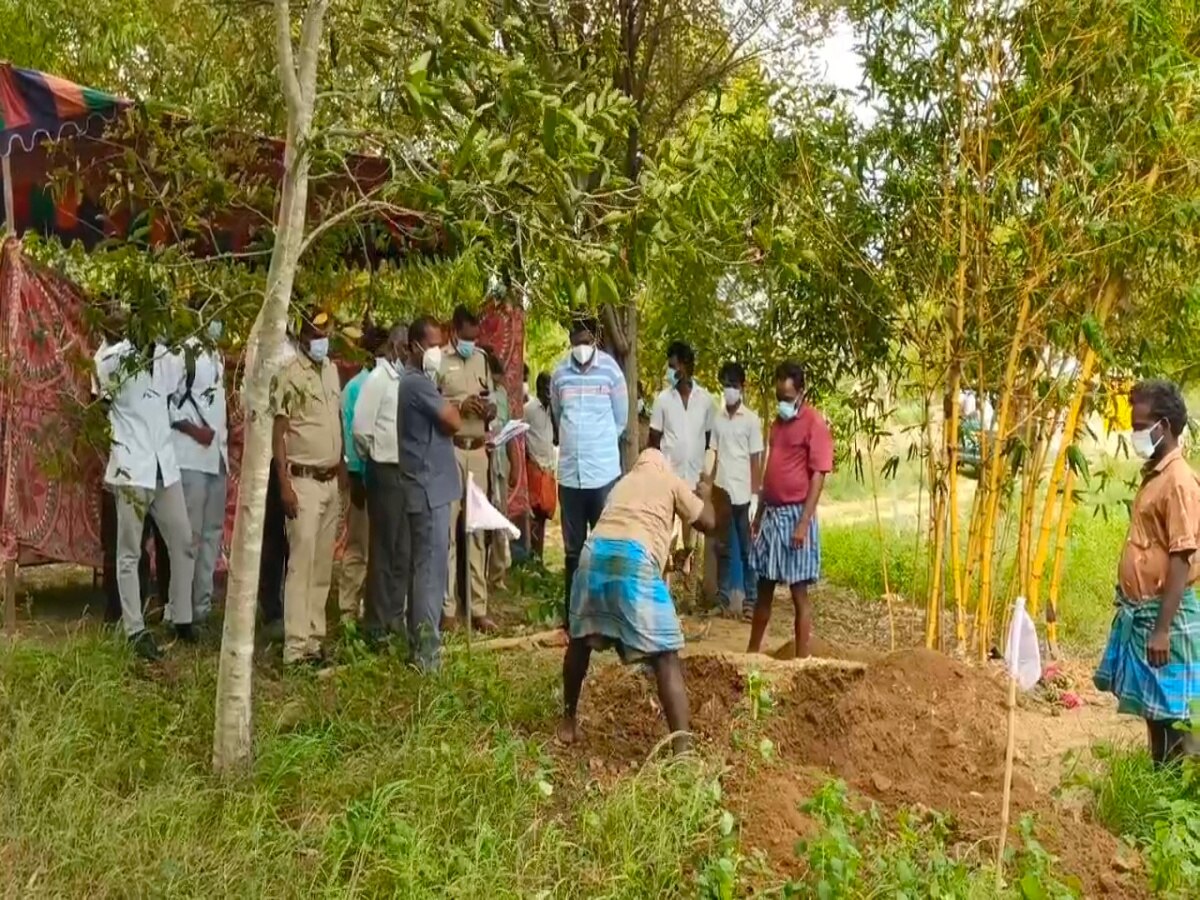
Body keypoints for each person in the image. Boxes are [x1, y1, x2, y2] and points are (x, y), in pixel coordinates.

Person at [558, 449, 722, 754]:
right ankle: (683, 752)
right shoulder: (670, 480)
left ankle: (568, 723)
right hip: (633, 560)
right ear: (664, 464)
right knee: (665, 658)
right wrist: (707, 494)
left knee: (579, 642)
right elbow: (708, 522)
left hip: (592, 557)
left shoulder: (622, 484)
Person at [1095, 380, 1200, 764]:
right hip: (1148, 612)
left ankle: (1179, 801)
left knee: (1178, 719)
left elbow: (1181, 555)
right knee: (1157, 714)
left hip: (1165, 617)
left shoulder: (1178, 481)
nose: (1135, 433)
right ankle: (1161, 786)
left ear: (1165, 427)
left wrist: (1162, 629)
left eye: (1140, 426)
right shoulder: (1156, 473)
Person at [94, 331, 197, 660]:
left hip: (164, 467)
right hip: (131, 467)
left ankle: (181, 617)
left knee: (182, 541)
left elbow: (174, 398)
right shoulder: (111, 360)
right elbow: (100, 404)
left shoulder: (170, 355)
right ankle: (134, 629)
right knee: (129, 553)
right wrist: (120, 438)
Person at [271, 312, 347, 666]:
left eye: (327, 333)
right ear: (302, 334)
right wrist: (284, 484)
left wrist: (342, 472)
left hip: (331, 480)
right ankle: (295, 648)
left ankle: (315, 640)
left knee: (321, 566)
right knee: (301, 565)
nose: (323, 339)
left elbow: (337, 423)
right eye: (317, 333)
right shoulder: (289, 375)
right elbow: (279, 433)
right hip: (302, 481)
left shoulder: (330, 369)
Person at [747, 362, 833, 658]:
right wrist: (758, 515)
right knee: (764, 589)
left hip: (796, 515)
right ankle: (752, 653)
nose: (783, 402)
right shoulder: (776, 424)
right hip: (771, 514)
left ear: (801, 392)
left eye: (788, 397)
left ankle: (802, 658)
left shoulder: (814, 423)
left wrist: (803, 523)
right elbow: (771, 468)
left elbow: (819, 476)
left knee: (799, 593)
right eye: (779, 396)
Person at [551, 318, 627, 630]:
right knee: (573, 551)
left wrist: (597, 445)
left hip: (603, 474)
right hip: (570, 475)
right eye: (575, 340)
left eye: (585, 339)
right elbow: (558, 416)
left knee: (605, 547)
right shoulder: (559, 374)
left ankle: (607, 616)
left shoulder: (611, 372)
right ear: (570, 339)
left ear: (593, 338)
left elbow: (620, 421)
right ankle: (575, 617)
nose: (580, 346)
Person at [397, 316, 463, 670]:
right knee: (430, 572)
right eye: (433, 344)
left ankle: (419, 648)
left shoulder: (420, 382)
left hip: (430, 487)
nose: (438, 351)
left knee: (426, 569)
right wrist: (448, 403)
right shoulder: (416, 384)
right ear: (414, 347)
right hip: (427, 489)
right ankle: (426, 655)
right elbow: (452, 421)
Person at [438, 305, 497, 633]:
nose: (470, 344)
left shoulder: (482, 361)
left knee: (476, 530)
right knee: (448, 532)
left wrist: (487, 409)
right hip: (451, 451)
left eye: (475, 339)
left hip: (478, 454)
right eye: (466, 338)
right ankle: (448, 609)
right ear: (453, 332)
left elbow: (493, 404)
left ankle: (478, 608)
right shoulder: (439, 361)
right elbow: (430, 404)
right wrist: (458, 407)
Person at [168, 317, 229, 627]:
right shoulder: (183, 354)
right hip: (191, 456)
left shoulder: (216, 354)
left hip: (217, 457)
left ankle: (201, 608)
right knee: (188, 537)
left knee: (211, 536)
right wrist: (193, 430)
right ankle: (179, 612)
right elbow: (165, 404)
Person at [353, 322, 409, 642]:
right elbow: (361, 429)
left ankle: (395, 618)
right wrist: (376, 454)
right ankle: (375, 624)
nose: (404, 352)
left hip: (406, 472)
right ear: (393, 346)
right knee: (384, 550)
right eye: (401, 346)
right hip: (384, 471)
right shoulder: (378, 379)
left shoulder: (406, 380)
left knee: (403, 550)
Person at [649, 341, 715, 572]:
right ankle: (665, 590)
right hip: (669, 479)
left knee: (692, 540)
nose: (669, 371)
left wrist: (706, 476)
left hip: (694, 480)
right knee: (667, 536)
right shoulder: (662, 400)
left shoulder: (705, 400)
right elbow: (653, 441)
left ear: (685, 367)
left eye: (673, 366)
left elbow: (709, 441)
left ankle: (689, 589)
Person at [339, 325, 388, 625]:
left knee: (379, 548)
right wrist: (355, 476)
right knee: (357, 545)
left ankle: (370, 609)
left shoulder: (390, 383)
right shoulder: (357, 387)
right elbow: (350, 433)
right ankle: (347, 609)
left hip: (385, 481)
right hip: (362, 479)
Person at [710, 361, 763, 616]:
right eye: (725, 385)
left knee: (745, 548)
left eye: (733, 385)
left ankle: (751, 601)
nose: (728, 390)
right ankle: (722, 599)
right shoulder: (717, 420)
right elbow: (714, 453)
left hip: (743, 493)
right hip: (721, 490)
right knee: (722, 547)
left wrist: (755, 495)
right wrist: (707, 486)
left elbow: (756, 460)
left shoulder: (751, 421)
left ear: (742, 387)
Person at [485, 349, 517, 590]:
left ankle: (496, 575)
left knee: (499, 518)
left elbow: (508, 432)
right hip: (480, 462)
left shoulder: (502, 395)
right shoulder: (477, 393)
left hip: (499, 464)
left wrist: (514, 464)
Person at [524, 371, 557, 560]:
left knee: (545, 513)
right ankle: (531, 556)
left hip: (549, 469)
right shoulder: (528, 409)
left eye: (550, 388)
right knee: (534, 513)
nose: (548, 392)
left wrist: (553, 410)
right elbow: (521, 437)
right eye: (545, 388)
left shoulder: (553, 409)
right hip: (535, 467)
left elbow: (557, 439)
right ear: (538, 388)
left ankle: (540, 556)